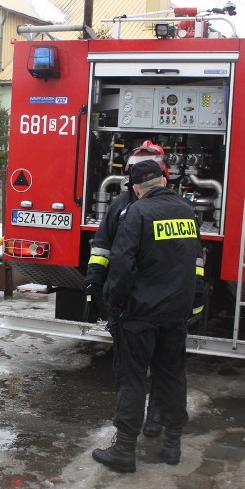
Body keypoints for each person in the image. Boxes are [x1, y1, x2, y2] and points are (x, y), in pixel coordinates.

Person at [92, 158, 202, 472]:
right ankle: (172, 445)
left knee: (132, 378)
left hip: (139, 315)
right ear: (163, 182)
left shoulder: (137, 212)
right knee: (171, 376)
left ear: (137, 188)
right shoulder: (186, 212)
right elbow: (194, 262)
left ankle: (125, 449)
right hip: (175, 314)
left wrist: (115, 305)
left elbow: (123, 265)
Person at [85, 141, 169, 438]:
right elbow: (103, 245)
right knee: (131, 369)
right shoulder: (120, 205)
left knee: (159, 364)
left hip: (154, 301)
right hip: (130, 302)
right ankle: (129, 431)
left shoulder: (171, 206)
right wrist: (94, 283)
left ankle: (154, 419)